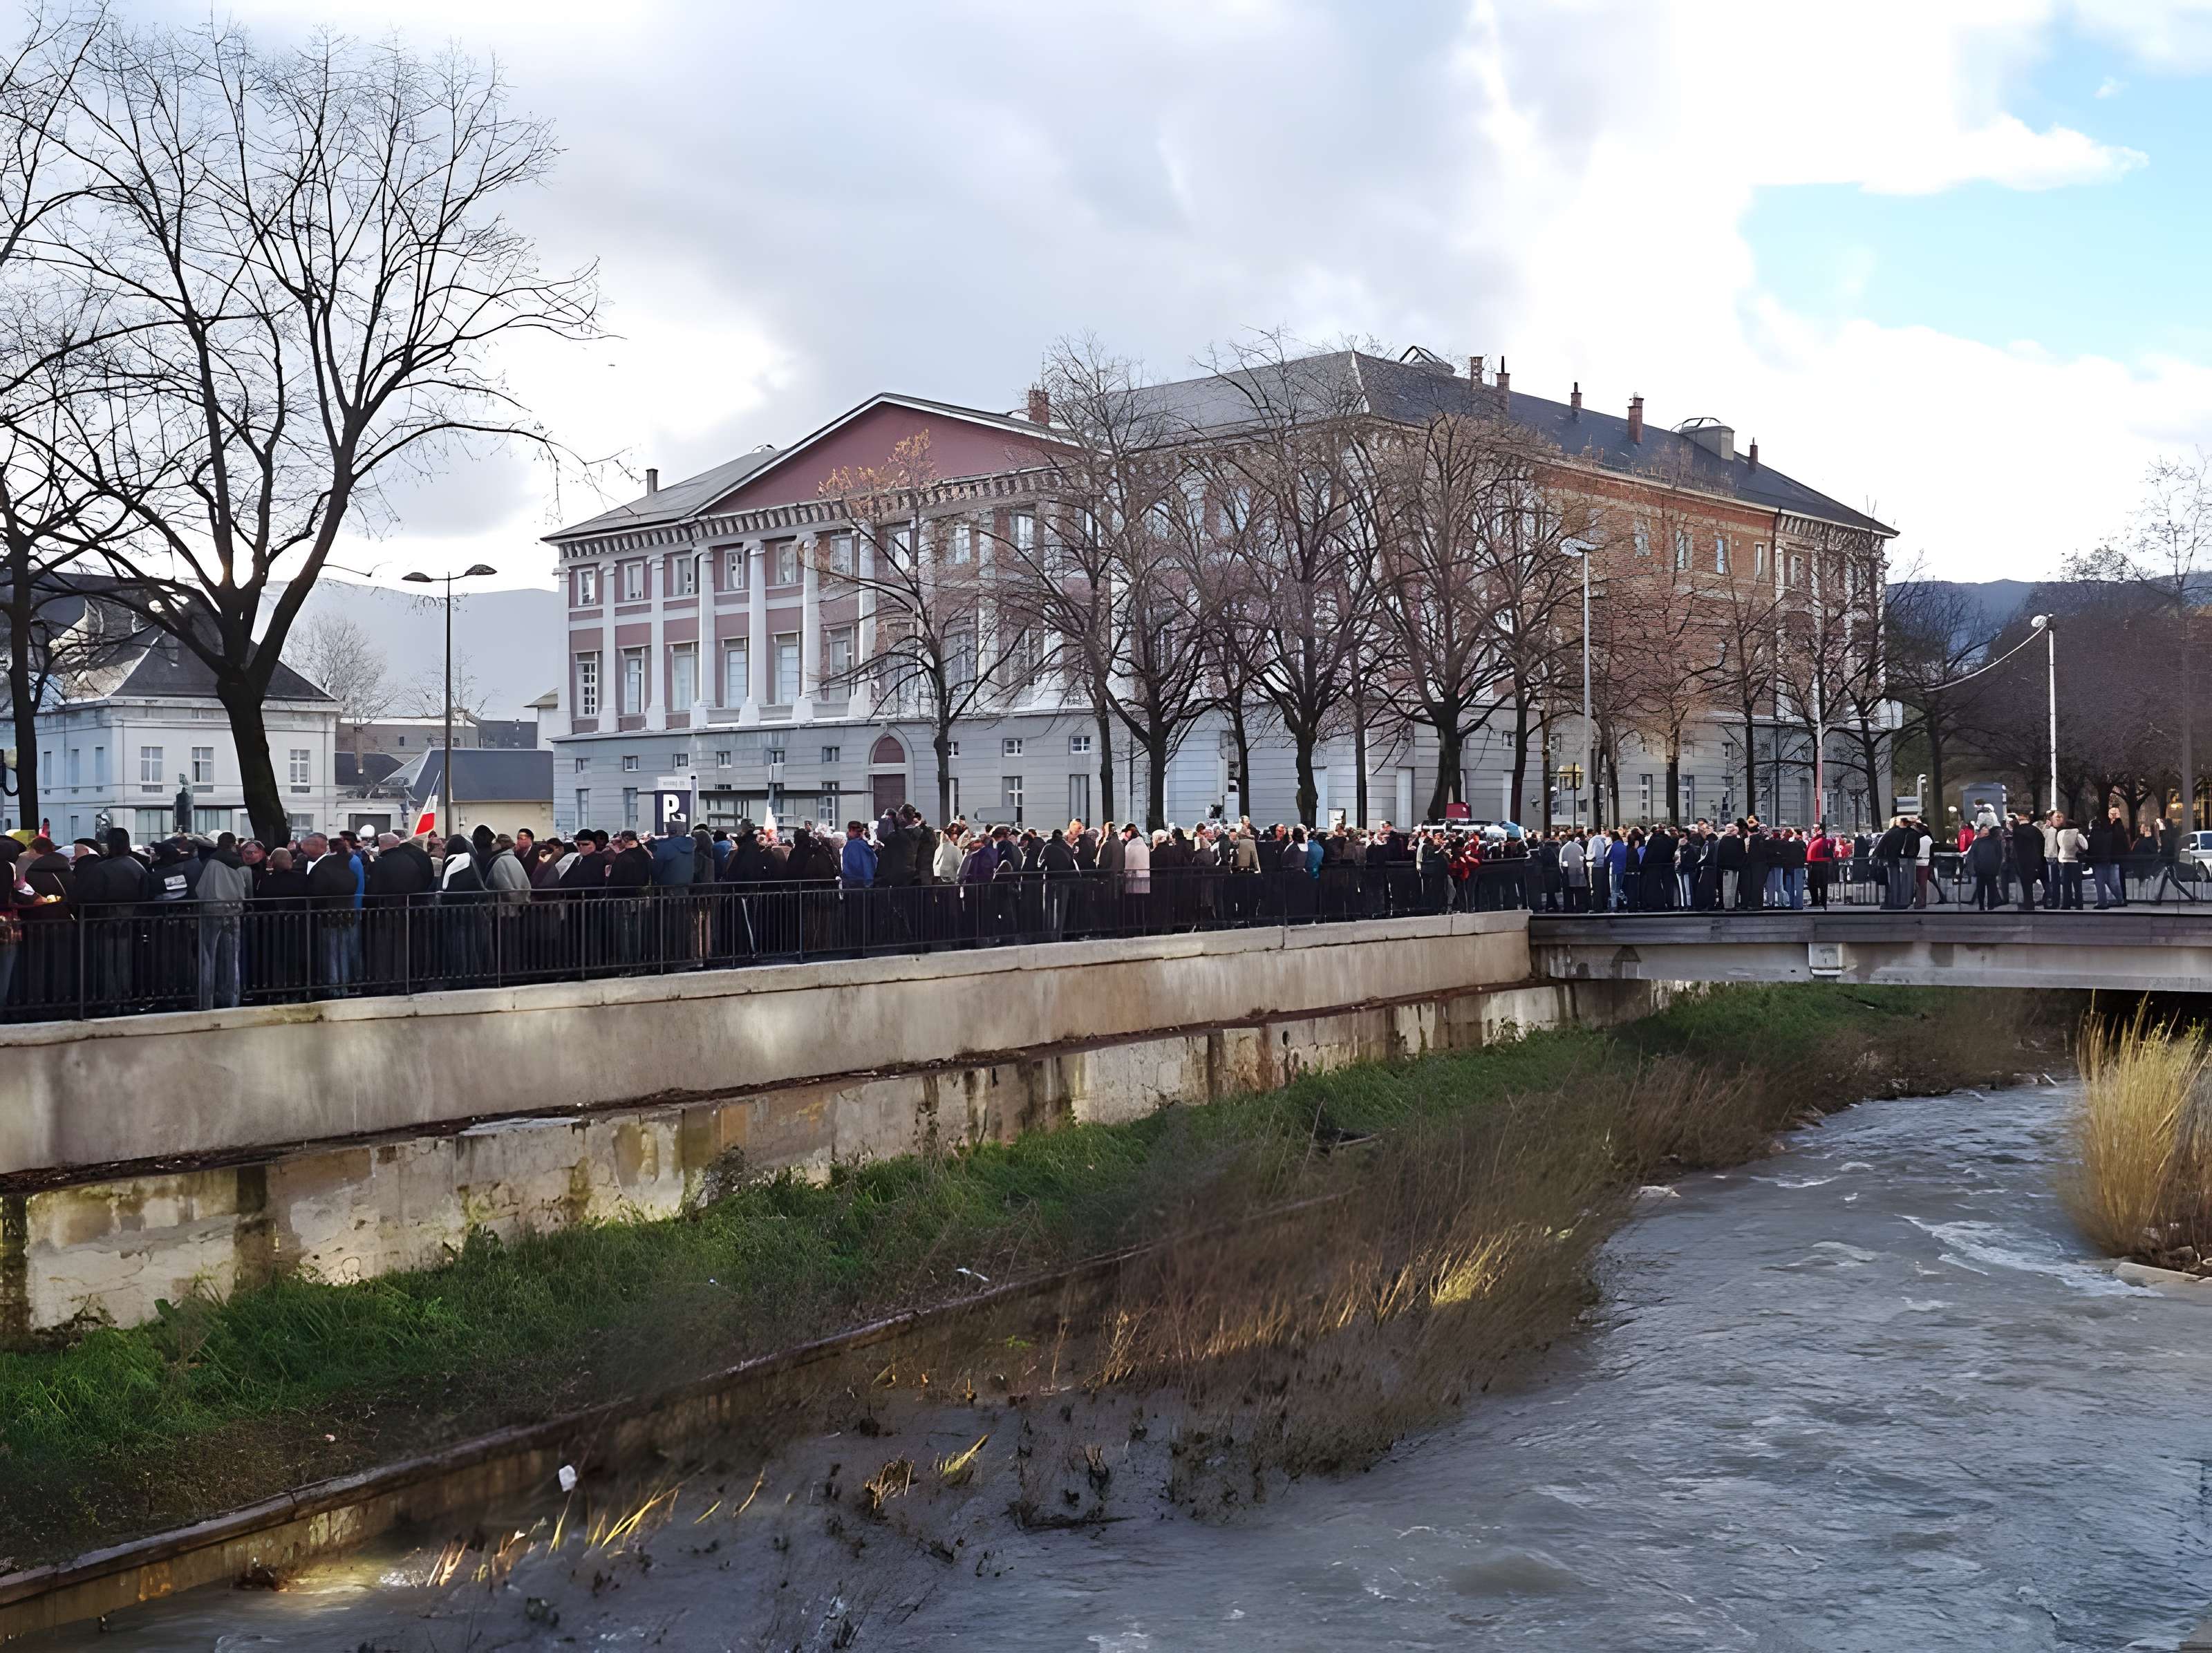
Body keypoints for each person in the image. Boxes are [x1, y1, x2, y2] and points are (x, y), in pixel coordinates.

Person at [191, 832, 252, 1010]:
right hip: (234, 912)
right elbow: (247, 892)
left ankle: (207, 1001)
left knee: (208, 957)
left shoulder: (209, 863)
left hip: (211, 912)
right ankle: (232, 1000)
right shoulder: (241, 864)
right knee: (232, 959)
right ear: (234, 844)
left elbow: (199, 888)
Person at [2088, 807, 2129, 910]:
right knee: (2113, 881)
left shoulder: (2097, 833)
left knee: (2100, 881)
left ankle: (2103, 902)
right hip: (2110, 858)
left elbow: (2092, 847)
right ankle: (2120, 900)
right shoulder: (2113, 831)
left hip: (2101, 859)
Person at [2007, 811, 2045, 912]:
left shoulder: (2017, 832)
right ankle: (2048, 901)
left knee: (2025, 885)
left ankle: (2027, 904)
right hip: (2035, 860)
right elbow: (2040, 846)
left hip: (2021, 861)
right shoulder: (2036, 830)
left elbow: (2014, 848)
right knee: (2045, 882)